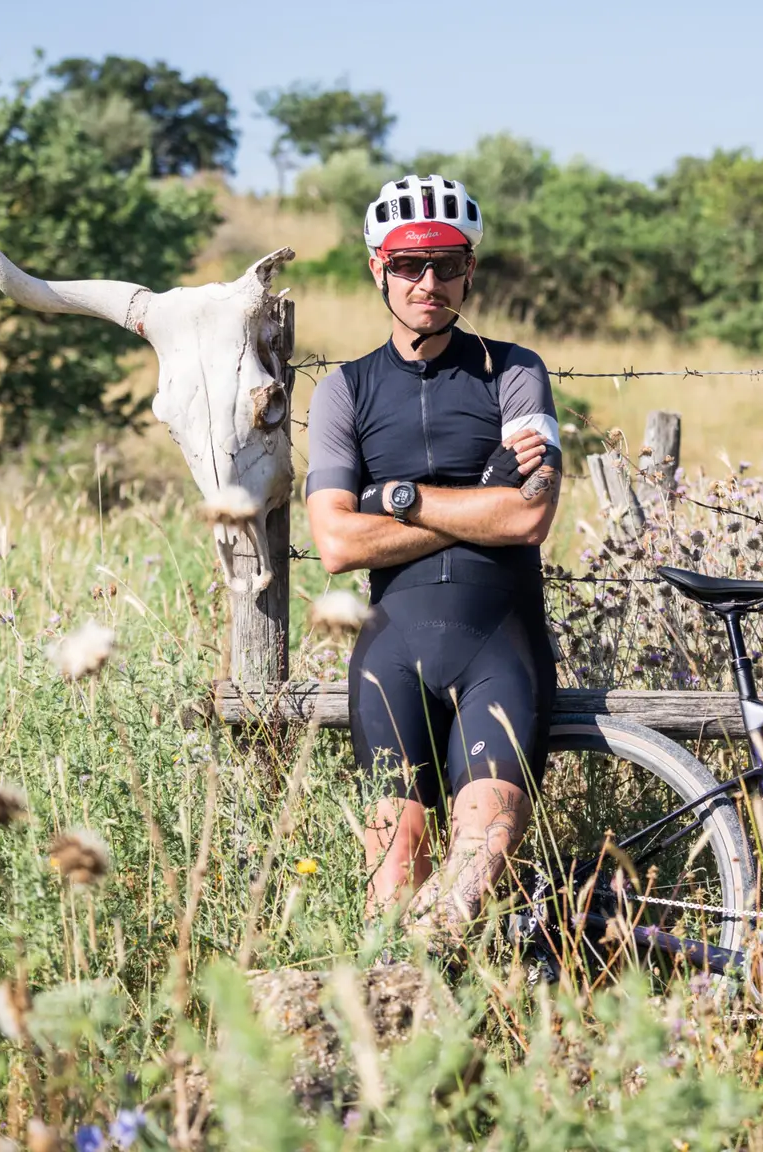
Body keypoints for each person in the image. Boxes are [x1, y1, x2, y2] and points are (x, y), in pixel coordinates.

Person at [303, 174, 561, 950]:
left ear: (470, 271)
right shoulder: (342, 391)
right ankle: (398, 1044)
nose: (429, 283)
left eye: (447, 264)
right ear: (378, 268)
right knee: (394, 879)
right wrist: (471, 503)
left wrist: (398, 500)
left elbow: (529, 514)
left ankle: (458, 1032)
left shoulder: (514, 371)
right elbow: (338, 545)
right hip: (393, 652)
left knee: (479, 860)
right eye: (409, 264)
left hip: (499, 643)